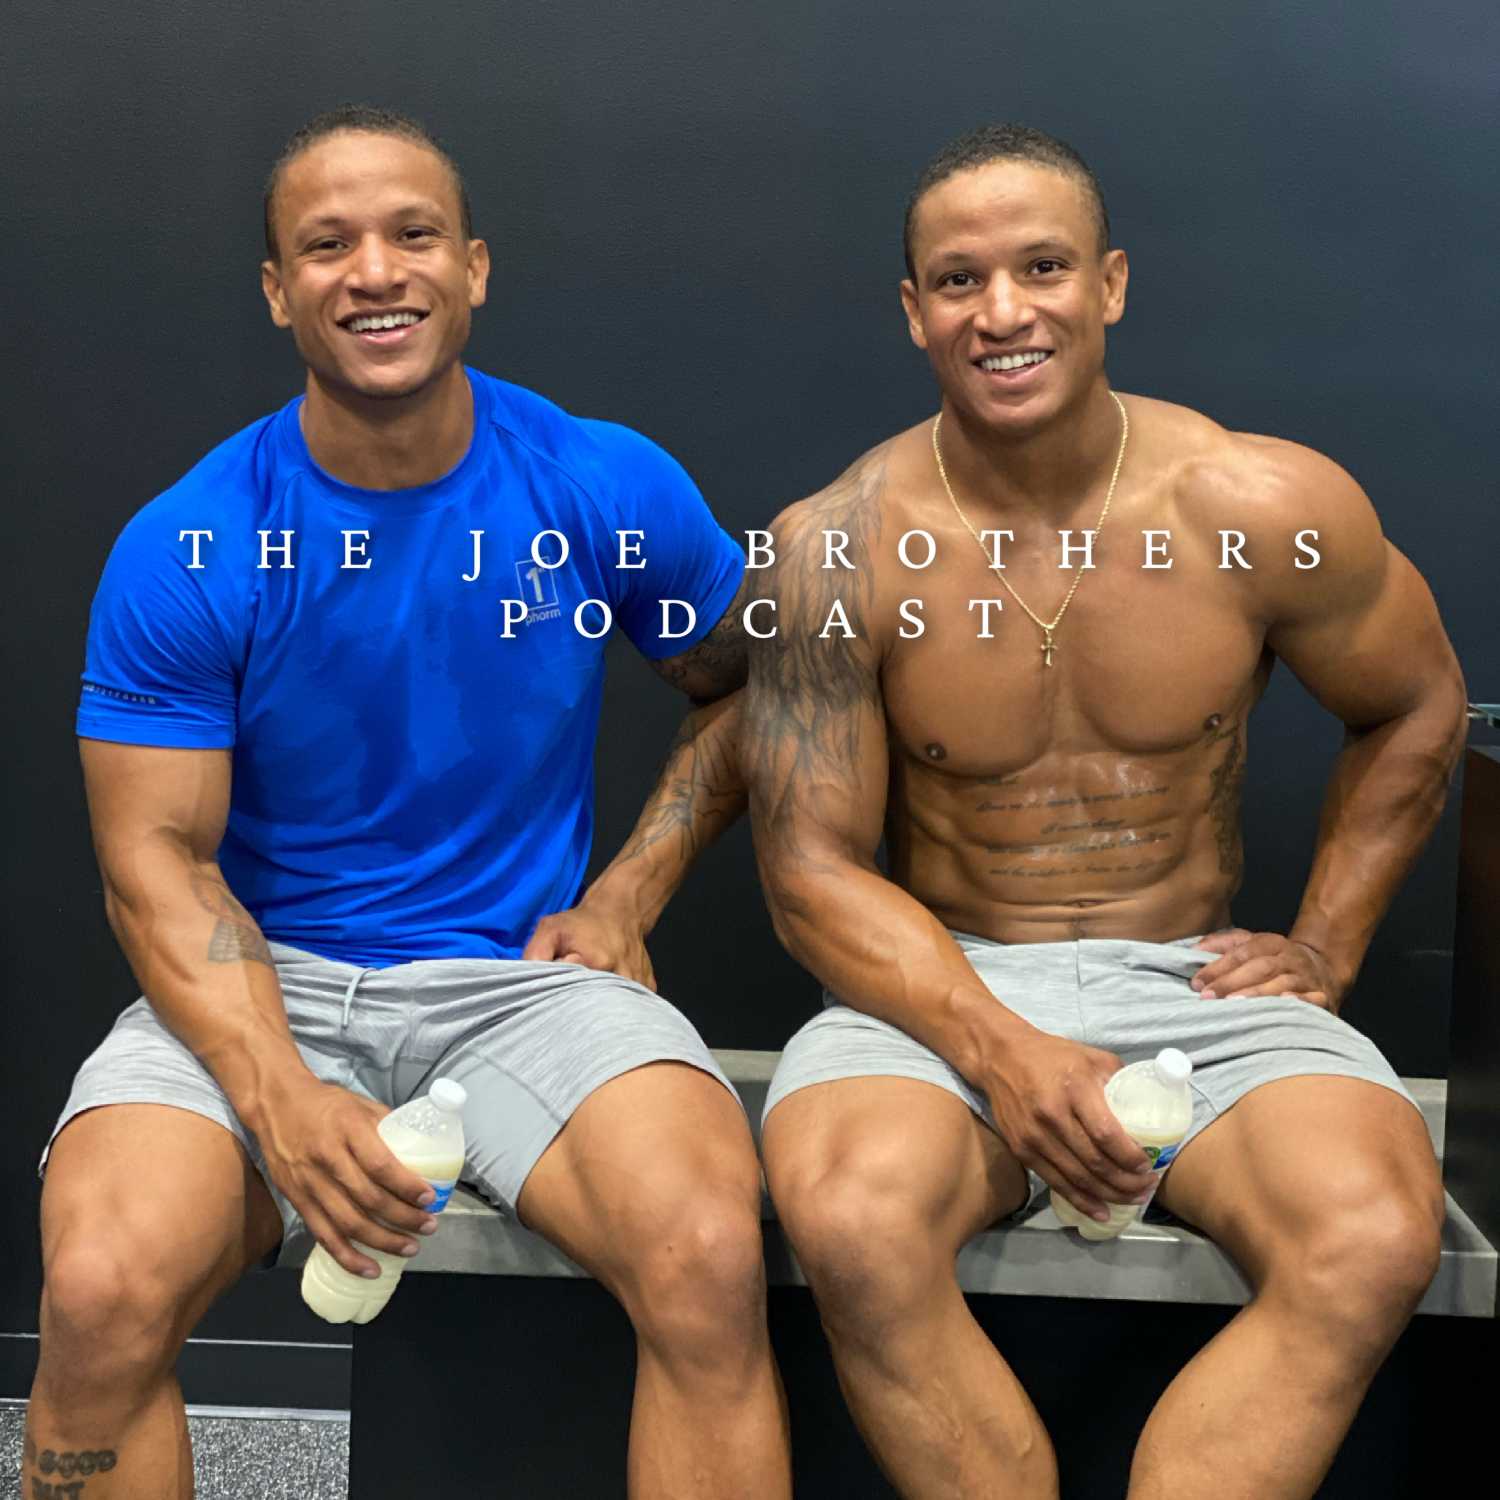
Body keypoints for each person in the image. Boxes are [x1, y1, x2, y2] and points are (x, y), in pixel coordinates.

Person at [26, 106, 790, 1500]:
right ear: (279, 291)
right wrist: (280, 1091)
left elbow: (757, 683)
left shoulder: (598, 481)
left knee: (707, 1254)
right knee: (98, 1288)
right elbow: (156, 862)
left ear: (474, 267)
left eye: (413, 235)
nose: (374, 271)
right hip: (266, 980)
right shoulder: (193, 541)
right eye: (328, 246)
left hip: (518, 987)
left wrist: (629, 889)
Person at [741, 122, 1467, 1499]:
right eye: (959, 281)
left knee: (1374, 1232)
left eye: (1043, 267)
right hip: (940, 990)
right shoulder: (832, 548)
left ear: (1111, 284)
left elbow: (1418, 706)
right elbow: (810, 871)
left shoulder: (1262, 503)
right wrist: (1003, 1047)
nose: (1003, 312)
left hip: (1196, 983)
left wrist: (1326, 946)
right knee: (849, 1218)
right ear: (913, 312)